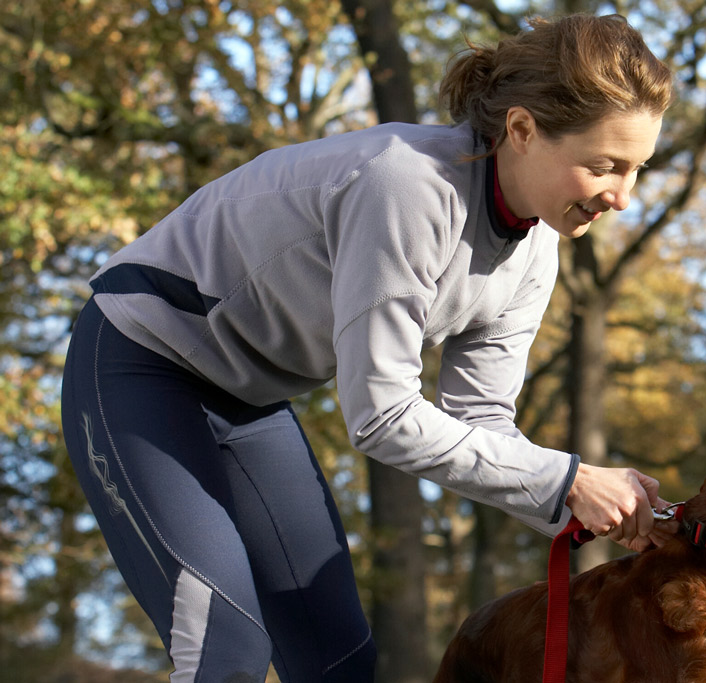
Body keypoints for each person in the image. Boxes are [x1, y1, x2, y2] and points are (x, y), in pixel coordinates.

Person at [61, 13, 674, 682]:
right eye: (604, 165)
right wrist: (568, 480)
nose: (622, 196)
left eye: (636, 169)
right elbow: (381, 416)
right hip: (140, 357)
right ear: (522, 130)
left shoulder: (535, 253)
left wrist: (584, 504)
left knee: (341, 663)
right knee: (226, 646)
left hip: (251, 399)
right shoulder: (407, 185)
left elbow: (481, 425)